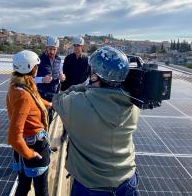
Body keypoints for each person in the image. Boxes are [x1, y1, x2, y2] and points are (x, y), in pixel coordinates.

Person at [52, 46, 140, 196]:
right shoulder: (134, 105)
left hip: (91, 187)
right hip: (127, 182)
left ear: (94, 76)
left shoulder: (77, 104)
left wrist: (84, 85)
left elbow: (57, 99)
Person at [6, 50, 52, 196]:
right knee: (41, 191)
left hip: (24, 148)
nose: (37, 69)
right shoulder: (23, 95)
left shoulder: (16, 87)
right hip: (33, 146)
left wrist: (50, 104)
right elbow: (14, 137)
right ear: (30, 68)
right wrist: (30, 154)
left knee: (24, 186)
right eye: (36, 66)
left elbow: (35, 99)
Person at [60, 36, 90, 142]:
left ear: (82, 47)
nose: (77, 47)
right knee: (67, 112)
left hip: (80, 90)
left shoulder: (86, 60)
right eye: (75, 45)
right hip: (68, 89)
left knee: (79, 113)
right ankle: (65, 132)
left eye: (79, 46)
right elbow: (65, 75)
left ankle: (76, 133)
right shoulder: (68, 59)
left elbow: (88, 75)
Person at [35, 36, 65, 124]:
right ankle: (41, 136)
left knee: (50, 118)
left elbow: (60, 73)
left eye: (54, 49)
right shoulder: (38, 60)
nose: (52, 51)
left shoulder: (59, 60)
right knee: (41, 118)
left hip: (54, 95)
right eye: (50, 49)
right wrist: (42, 79)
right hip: (41, 95)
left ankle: (45, 135)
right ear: (46, 48)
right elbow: (31, 79)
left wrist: (61, 77)